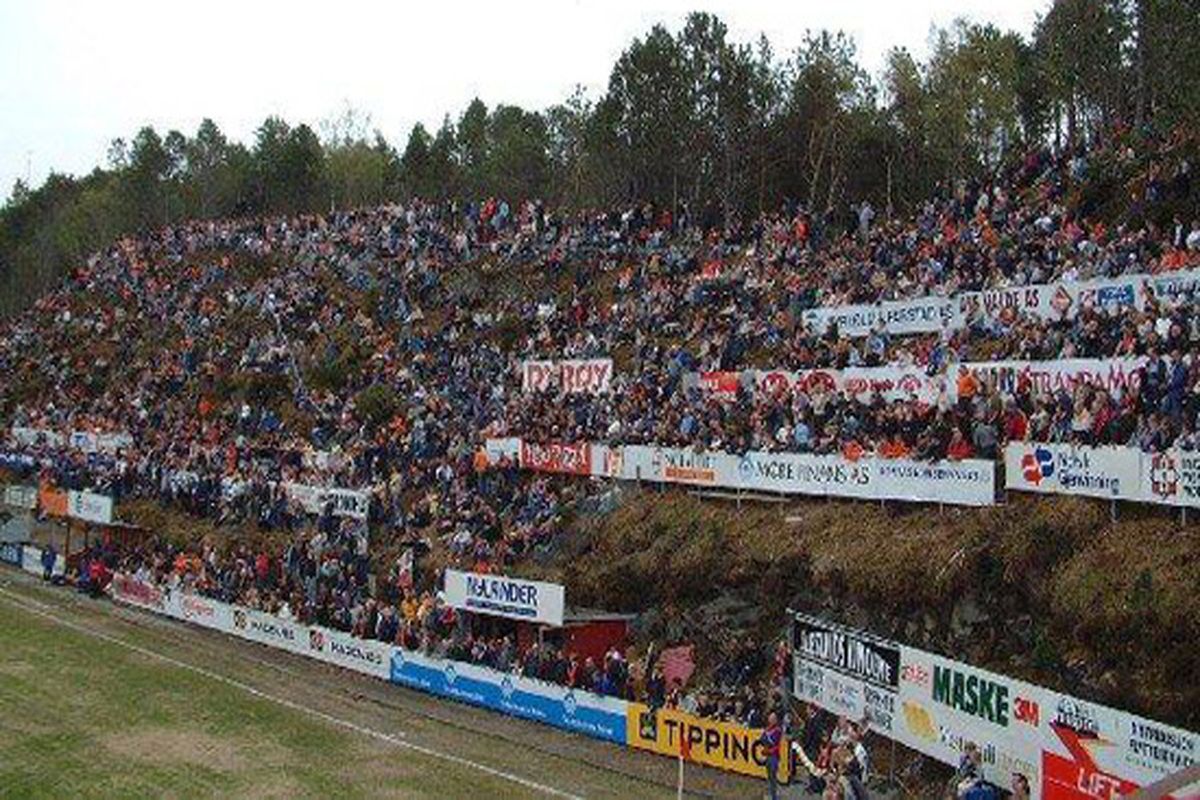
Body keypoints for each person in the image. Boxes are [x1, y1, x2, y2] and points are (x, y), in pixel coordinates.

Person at [760, 711, 783, 800]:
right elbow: (762, 739)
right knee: (769, 776)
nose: (771, 720)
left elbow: (772, 742)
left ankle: (774, 797)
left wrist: (766, 738)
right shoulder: (768, 729)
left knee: (773, 777)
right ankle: (771, 794)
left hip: (774, 757)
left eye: (773, 718)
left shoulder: (778, 730)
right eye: (770, 718)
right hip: (768, 755)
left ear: (776, 720)